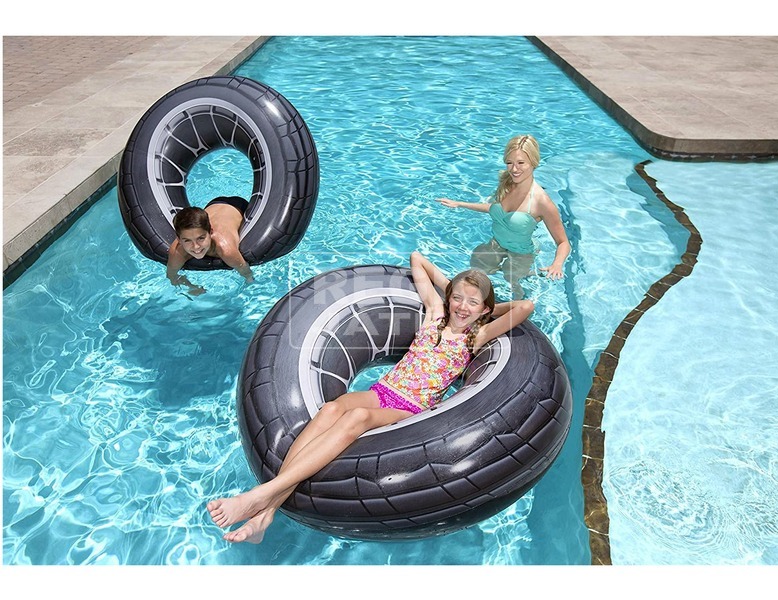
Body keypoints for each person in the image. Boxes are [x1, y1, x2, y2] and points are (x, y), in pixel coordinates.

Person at [206, 251, 535, 543]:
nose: (462, 307)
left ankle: (261, 495)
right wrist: (455, 293)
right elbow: (417, 259)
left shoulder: (477, 336)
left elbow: (525, 307)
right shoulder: (435, 312)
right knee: (331, 409)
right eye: (458, 299)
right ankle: (264, 515)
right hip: (383, 391)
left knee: (358, 418)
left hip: (412, 408)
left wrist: (485, 310)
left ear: (484, 309)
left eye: (472, 303)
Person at [437, 134, 571, 299]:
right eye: (509, 163)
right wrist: (460, 204)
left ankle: (523, 280)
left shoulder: (541, 202)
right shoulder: (507, 184)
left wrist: (557, 264)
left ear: (533, 162)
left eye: (521, 163)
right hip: (497, 243)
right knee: (476, 270)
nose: (514, 169)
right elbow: (495, 209)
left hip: (521, 251)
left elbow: (563, 242)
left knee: (512, 280)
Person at [166, 196, 255, 295]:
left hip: (238, 207)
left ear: (211, 232)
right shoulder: (177, 252)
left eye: (201, 238)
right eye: (187, 240)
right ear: (179, 240)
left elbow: (247, 274)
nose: (196, 247)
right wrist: (191, 287)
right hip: (213, 204)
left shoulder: (226, 249)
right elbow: (172, 276)